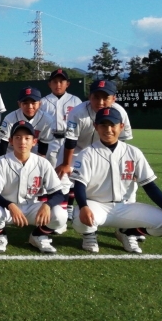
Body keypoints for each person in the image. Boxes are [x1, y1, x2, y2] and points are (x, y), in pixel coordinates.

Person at [71, 107, 162, 253]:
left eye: (112, 125)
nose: (108, 129)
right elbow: (79, 185)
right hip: (97, 206)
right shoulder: (87, 154)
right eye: (103, 125)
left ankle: (128, 232)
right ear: (96, 126)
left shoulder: (133, 152)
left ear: (121, 126)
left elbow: (149, 186)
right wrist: (83, 206)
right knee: (79, 216)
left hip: (126, 207)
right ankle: (89, 235)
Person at [55, 79, 133, 221]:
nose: (100, 102)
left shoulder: (120, 113)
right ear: (89, 97)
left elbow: (121, 141)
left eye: (105, 97)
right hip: (76, 149)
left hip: (102, 151)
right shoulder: (78, 112)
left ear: (113, 98)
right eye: (96, 97)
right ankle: (63, 212)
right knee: (63, 178)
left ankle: (124, 220)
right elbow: (71, 140)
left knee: (112, 180)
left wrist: (117, 162)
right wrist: (66, 164)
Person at [0, 121, 67, 253]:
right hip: (7, 210)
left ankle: (38, 235)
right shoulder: (1, 162)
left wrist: (48, 205)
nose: (22, 141)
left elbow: (58, 193)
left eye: (27, 138)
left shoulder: (43, 163)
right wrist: (10, 205)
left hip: (32, 208)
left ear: (34, 142)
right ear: (11, 141)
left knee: (60, 215)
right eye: (17, 137)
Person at [39, 69, 82, 167]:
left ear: (67, 84)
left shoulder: (75, 101)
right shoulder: (43, 102)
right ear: (49, 84)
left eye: (61, 81)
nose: (58, 84)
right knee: (51, 169)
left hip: (69, 139)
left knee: (69, 168)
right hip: (50, 140)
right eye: (55, 82)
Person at [0, 87, 55, 158]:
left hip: (34, 149)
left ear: (40, 104)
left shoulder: (47, 120)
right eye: (25, 103)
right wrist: (2, 160)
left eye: (33, 103)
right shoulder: (10, 118)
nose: (30, 106)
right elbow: (3, 142)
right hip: (11, 149)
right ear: (19, 104)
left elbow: (44, 144)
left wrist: (40, 161)